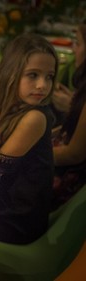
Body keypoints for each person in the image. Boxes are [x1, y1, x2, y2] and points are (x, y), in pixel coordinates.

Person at [0, 33, 59, 244]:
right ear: (10, 74)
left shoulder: (34, 118)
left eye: (49, 76)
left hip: (15, 223)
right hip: (9, 209)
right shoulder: (16, 109)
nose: (42, 85)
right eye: (33, 75)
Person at [52, 23, 86, 209]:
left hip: (67, 182)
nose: (74, 50)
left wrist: (31, 155)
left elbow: (74, 154)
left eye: (79, 44)